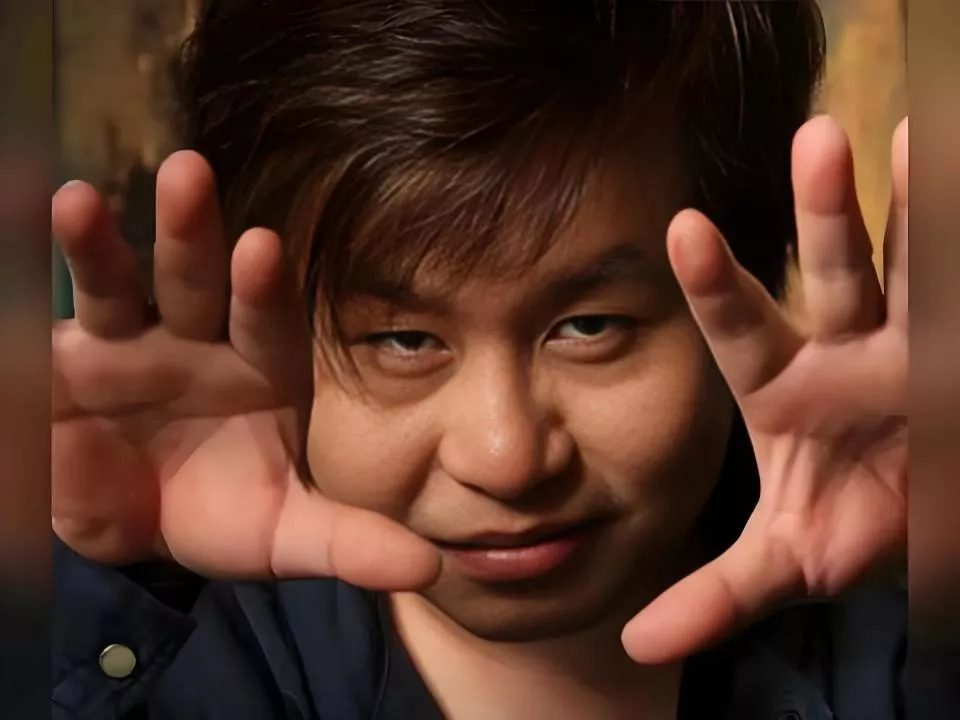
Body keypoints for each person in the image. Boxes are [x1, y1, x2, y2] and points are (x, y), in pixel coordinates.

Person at [51, 1, 909, 718]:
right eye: (403, 340)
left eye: (590, 327)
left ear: (749, 293)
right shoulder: (175, 662)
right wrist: (113, 575)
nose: (506, 459)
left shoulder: (890, 639)